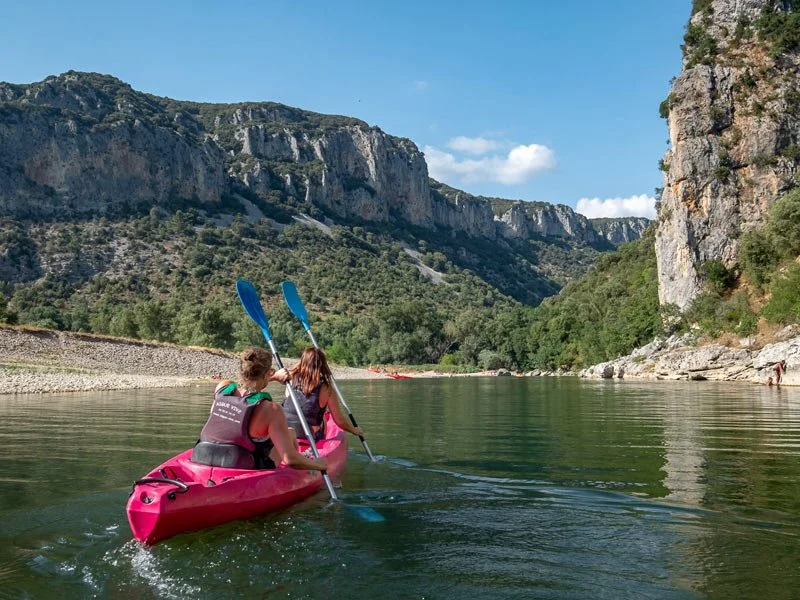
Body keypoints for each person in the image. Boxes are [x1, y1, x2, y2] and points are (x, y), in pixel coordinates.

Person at [191, 347, 327, 472]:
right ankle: (299, 466)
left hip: (202, 454)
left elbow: (247, 388)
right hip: (243, 464)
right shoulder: (271, 409)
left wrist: (271, 376)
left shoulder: (222, 387)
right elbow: (290, 459)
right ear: (268, 373)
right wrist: (319, 464)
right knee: (289, 435)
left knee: (290, 432)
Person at [274, 347, 366, 442]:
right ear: (323, 365)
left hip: (284, 431)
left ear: (302, 362)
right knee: (324, 417)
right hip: (308, 436)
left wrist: (305, 361)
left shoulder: (291, 378)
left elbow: (291, 369)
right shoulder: (327, 388)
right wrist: (354, 430)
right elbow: (339, 421)